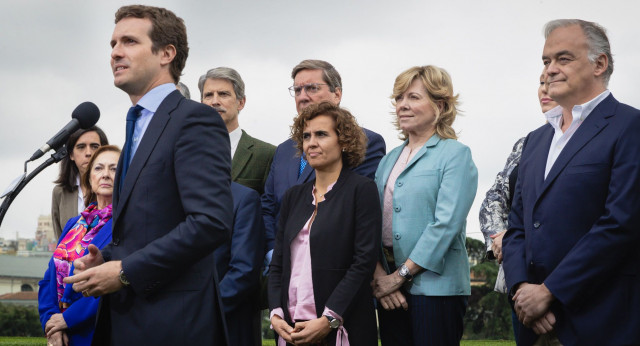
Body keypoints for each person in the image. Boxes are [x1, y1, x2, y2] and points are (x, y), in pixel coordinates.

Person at [63, 5, 233, 345]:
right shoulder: (136, 128)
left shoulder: (194, 120)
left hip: (174, 324)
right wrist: (107, 256)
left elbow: (210, 221)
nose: (115, 53)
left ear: (166, 53)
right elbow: (144, 227)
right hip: (128, 321)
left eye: (129, 42)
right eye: (112, 44)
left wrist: (125, 271)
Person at [503, 19, 640, 345]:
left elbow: (621, 223)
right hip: (533, 324)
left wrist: (550, 292)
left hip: (600, 320)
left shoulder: (629, 126)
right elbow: (517, 226)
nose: (550, 69)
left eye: (563, 59)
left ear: (600, 63)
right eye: (546, 61)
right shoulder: (535, 141)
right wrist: (522, 289)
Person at [371, 65, 478, 345]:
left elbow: (446, 225)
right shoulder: (388, 159)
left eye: (413, 97)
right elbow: (370, 220)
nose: (402, 105)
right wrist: (384, 278)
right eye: (399, 98)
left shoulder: (456, 155)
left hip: (436, 289)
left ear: (440, 105)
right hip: (390, 288)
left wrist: (401, 275)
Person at [269, 101, 381, 345]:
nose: (311, 142)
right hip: (290, 328)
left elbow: (363, 263)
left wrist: (330, 319)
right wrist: (276, 313)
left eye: (321, 134)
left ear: (344, 141)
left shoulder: (362, 190)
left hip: (341, 327)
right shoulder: (293, 197)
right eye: (306, 136)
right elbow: (278, 263)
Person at [262, 59, 386, 270]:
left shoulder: (365, 142)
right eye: (297, 90)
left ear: (337, 94)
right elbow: (267, 207)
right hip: (281, 268)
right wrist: (275, 252)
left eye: (312, 88)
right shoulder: (283, 150)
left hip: (333, 268)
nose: (303, 96)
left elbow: (352, 210)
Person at [479, 76, 558, 343]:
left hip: (572, 282)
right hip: (520, 279)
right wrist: (502, 238)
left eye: (553, 80)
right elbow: (493, 199)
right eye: (541, 81)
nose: (545, 88)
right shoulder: (526, 144)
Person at [39, 145, 120, 346]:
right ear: (89, 178)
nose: (106, 175)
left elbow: (116, 283)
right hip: (61, 334)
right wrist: (50, 321)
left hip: (97, 333)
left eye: (114, 169)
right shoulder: (74, 224)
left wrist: (68, 319)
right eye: (99, 168)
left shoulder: (128, 223)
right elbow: (48, 278)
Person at [198, 67, 276, 194]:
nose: (215, 101)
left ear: (241, 102)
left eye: (223, 94)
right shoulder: (185, 150)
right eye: (208, 95)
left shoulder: (266, 154)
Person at [213, 181, 265, 346]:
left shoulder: (243, 198)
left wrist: (206, 309)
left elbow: (244, 269)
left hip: (225, 322)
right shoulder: (169, 198)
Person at [51, 126, 108, 239]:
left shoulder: (117, 188)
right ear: (71, 154)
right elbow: (60, 240)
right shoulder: (60, 192)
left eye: (94, 146)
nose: (88, 153)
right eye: (81, 147)